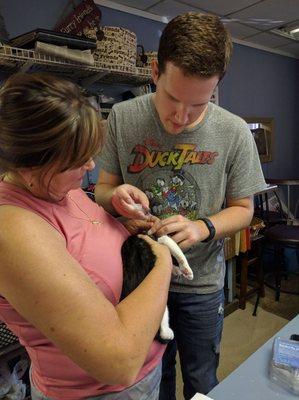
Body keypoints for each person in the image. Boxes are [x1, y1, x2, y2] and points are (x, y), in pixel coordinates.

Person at [95, 12, 266, 400]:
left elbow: (244, 209)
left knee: (202, 379)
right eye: (172, 98)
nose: (179, 117)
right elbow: (103, 190)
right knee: (155, 380)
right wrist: (117, 197)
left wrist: (202, 227)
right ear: (155, 71)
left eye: (198, 104)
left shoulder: (234, 132)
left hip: (200, 284)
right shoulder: (122, 117)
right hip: (138, 281)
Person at [0, 72, 173, 400]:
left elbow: (83, 246)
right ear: (30, 168)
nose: (91, 165)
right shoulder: (13, 229)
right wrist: (160, 258)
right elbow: (117, 361)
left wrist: (121, 224)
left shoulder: (59, 189)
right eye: (77, 161)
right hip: (96, 392)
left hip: (146, 373)